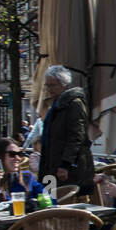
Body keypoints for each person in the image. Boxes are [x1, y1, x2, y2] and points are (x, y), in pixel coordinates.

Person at [38, 65, 95, 196]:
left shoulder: (74, 104)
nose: (49, 89)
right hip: (51, 166)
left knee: (64, 204)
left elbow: (76, 137)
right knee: (50, 200)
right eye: (47, 85)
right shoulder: (57, 104)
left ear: (63, 84)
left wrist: (65, 165)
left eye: (52, 85)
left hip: (68, 170)